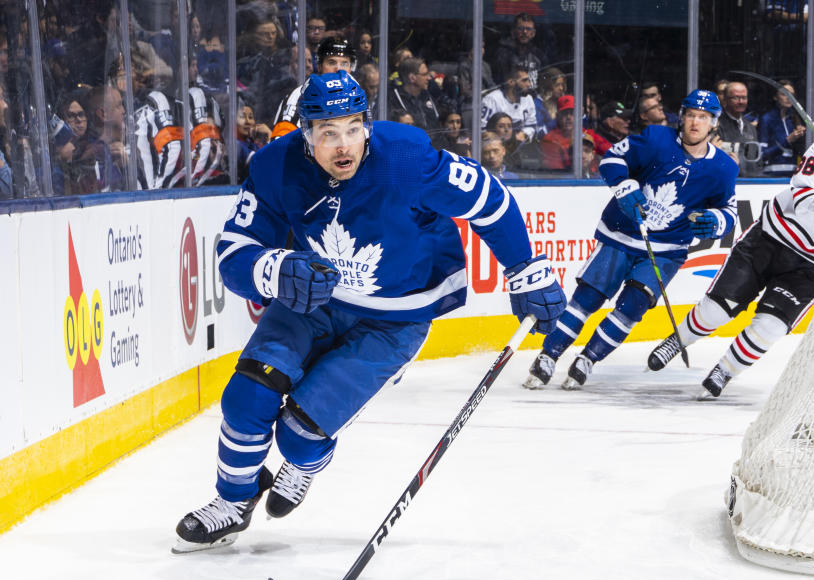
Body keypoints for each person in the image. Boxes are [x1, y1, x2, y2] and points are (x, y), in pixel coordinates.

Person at [173, 71, 565, 552]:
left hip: (395, 318)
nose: (344, 145)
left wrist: (527, 268)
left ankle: (300, 464)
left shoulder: (406, 160)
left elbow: (489, 199)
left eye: (353, 128)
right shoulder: (277, 166)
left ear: (367, 126)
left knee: (299, 435)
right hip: (314, 300)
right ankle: (233, 503)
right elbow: (236, 250)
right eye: (328, 133)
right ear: (304, 134)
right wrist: (273, 269)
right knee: (247, 397)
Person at [646, 109, 814, 397]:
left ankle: (725, 370)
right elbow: (800, 194)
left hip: (812, 264)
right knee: (717, 309)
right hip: (770, 240)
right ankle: (678, 340)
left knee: (771, 325)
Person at [523, 90, 738, 390]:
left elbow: (729, 211)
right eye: (690, 114)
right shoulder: (655, 140)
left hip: (665, 252)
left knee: (632, 306)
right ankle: (549, 355)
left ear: (713, 123)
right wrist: (623, 186)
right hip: (621, 235)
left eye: (702, 117)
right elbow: (612, 158)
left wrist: (716, 221)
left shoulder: (724, 168)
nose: (694, 122)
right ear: (681, 116)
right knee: (587, 298)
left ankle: (588, 359)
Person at [271, 36, 356, 141]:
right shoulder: (302, 94)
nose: (338, 69)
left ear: (350, 69)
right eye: (331, 62)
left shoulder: (356, 96)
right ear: (320, 66)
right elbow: (280, 142)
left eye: (344, 63)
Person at [758, 79, 805, 176]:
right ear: (775, 97)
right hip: (771, 175)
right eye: (784, 94)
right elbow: (762, 154)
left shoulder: (794, 118)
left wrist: (802, 138)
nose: (789, 97)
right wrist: (787, 141)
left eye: (792, 94)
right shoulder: (767, 119)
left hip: (792, 174)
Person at [716, 81, 763, 177]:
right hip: (731, 181)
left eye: (744, 98)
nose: (741, 101)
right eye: (736, 98)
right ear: (725, 100)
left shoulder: (750, 127)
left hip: (753, 184)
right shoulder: (716, 126)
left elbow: (757, 161)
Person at [480, 66, 539, 143]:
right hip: (495, 145)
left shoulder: (528, 99)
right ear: (511, 82)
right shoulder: (491, 100)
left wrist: (524, 134)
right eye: (524, 81)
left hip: (520, 145)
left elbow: (531, 125)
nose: (529, 84)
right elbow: (481, 128)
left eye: (528, 80)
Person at [388, 56, 441, 133]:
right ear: (412, 78)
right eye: (425, 74)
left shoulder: (427, 96)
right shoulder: (393, 99)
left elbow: (437, 128)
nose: (429, 78)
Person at [492, 13, 544, 87]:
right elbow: (499, 82)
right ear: (513, 31)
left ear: (533, 33)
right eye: (521, 28)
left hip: (532, 96)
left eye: (528, 29)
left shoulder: (538, 55)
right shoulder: (503, 53)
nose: (525, 32)